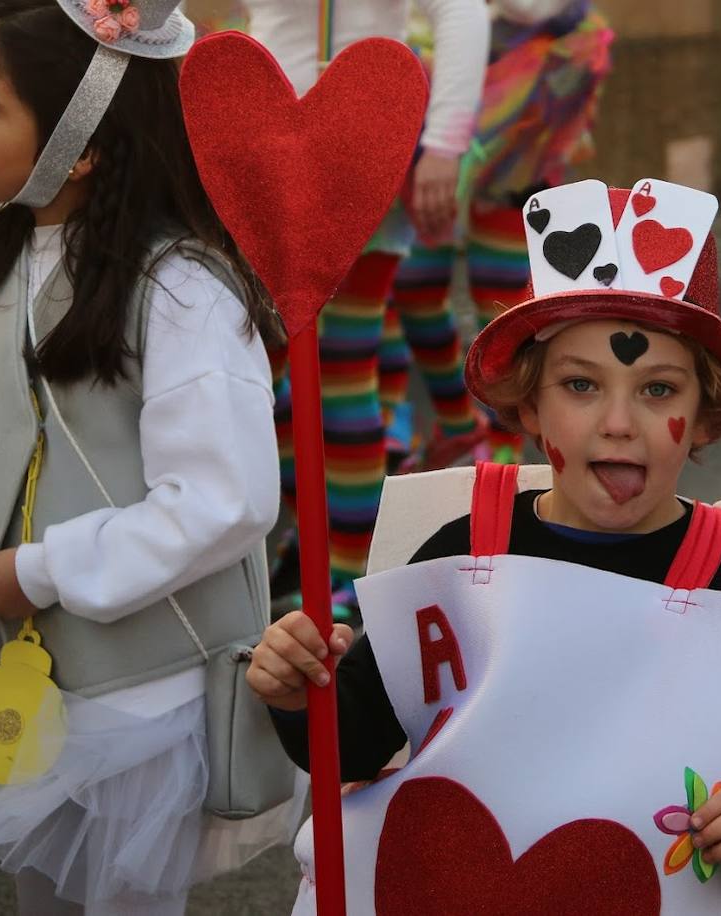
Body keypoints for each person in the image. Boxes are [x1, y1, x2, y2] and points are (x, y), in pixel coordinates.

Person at [248, 180, 721, 912]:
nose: (619, 422)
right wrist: (298, 690)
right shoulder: (461, 558)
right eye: (581, 385)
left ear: (706, 415)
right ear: (529, 404)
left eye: (658, 391)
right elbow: (351, 744)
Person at [0, 1, 284, 912]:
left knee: (121, 896)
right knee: (43, 887)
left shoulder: (183, 289)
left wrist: (42, 571)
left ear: (81, 146)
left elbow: (222, 498)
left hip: (143, 693)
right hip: (22, 674)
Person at [243, 0, 489, 620]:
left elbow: (462, 12)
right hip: (264, 152)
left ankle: (354, 575)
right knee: (268, 379)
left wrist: (443, 144)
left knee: (340, 371)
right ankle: (319, 541)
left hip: (360, 135)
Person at [382, 0, 615, 469]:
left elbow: (531, 7)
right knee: (412, 282)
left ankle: (499, 439)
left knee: (502, 301)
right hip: (439, 88)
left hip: (527, 103)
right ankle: (455, 425)